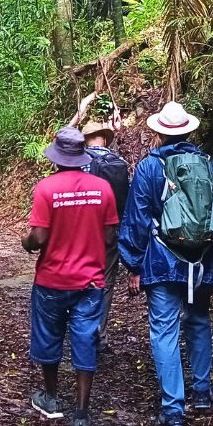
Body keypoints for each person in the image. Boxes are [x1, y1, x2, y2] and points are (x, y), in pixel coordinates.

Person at [118, 102, 213, 426]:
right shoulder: (208, 165)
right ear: (189, 130)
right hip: (203, 259)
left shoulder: (149, 168)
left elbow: (137, 219)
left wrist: (133, 264)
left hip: (162, 260)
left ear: (159, 132)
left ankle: (173, 409)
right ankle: (202, 393)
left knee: (164, 329)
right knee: (199, 320)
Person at [23, 127, 119, 426]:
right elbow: (109, 235)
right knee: (85, 338)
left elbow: (39, 236)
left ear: (57, 158)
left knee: (49, 337)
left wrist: (26, 243)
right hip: (90, 281)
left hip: (52, 279)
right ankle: (81, 412)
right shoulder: (102, 188)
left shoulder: (46, 189)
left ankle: (51, 398)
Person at [79, 120, 129, 350]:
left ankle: (80, 328)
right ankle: (100, 332)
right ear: (106, 139)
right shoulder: (119, 163)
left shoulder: (77, 163)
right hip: (110, 231)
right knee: (105, 281)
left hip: (80, 232)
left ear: (85, 139)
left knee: (78, 277)